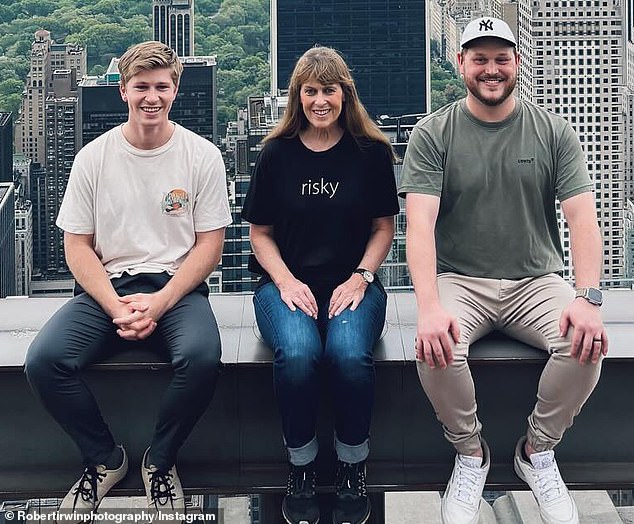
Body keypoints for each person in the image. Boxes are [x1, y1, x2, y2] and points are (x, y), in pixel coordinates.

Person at [399, 17, 607, 524]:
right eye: (479, 59)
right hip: (459, 279)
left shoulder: (552, 130)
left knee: (586, 343)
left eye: (500, 59)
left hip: (536, 279)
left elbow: (582, 216)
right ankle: (470, 455)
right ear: (461, 63)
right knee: (436, 346)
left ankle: (537, 450)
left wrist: (588, 296)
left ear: (517, 63)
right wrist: (428, 307)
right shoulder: (434, 132)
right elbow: (419, 225)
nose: (490, 70)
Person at [25, 41, 231, 521]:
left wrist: (159, 303)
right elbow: (77, 246)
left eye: (162, 87)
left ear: (175, 91)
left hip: (175, 290)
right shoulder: (93, 158)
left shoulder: (202, 156)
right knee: (44, 361)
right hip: (107, 288)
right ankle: (103, 459)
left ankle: (160, 460)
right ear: (124, 91)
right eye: (141, 87)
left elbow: (209, 247)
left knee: (201, 359)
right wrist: (117, 307)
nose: (151, 97)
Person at [242, 46, 399, 524]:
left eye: (329, 90)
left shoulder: (370, 153)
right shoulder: (276, 154)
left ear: (344, 94)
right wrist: (285, 280)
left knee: (349, 356)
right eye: (310, 91)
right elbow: (260, 233)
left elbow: (383, 226)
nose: (320, 100)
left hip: (354, 284)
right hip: (284, 285)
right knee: (299, 354)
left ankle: (353, 467)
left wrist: (362, 276)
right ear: (298, 96)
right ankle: (302, 468)